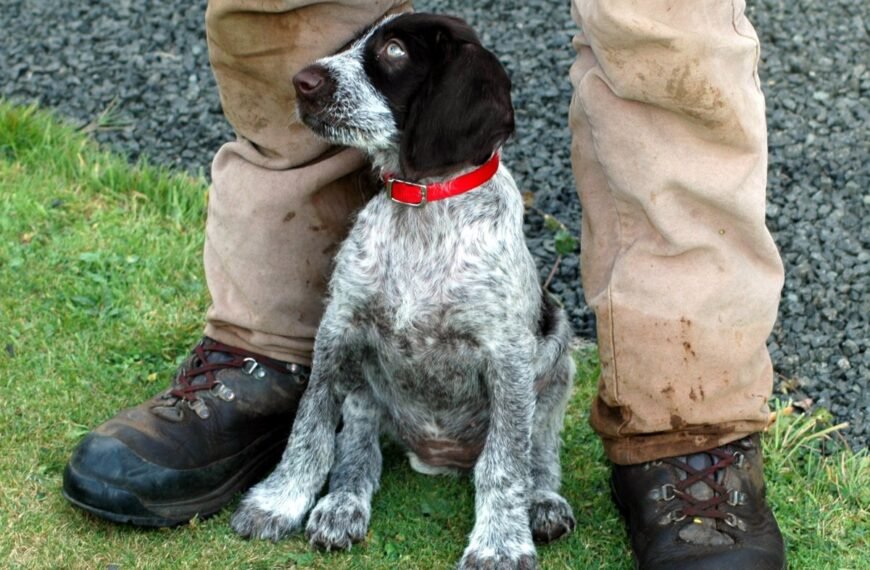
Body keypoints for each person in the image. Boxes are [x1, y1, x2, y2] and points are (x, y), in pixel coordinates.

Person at [62, 0, 786, 568]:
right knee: (291, 4)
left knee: (663, 26)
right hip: (386, 333)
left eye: (382, 61)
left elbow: (514, 358)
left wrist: (513, 496)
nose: (317, 75)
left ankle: (685, 423)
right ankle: (264, 351)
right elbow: (349, 340)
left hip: (496, 391)